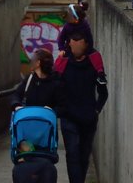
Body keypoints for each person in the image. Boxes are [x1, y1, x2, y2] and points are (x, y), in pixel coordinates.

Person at [52, 28, 108, 183]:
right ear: (69, 45)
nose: (75, 48)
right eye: (73, 45)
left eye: (79, 45)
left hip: (88, 118)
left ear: (86, 45)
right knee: (73, 154)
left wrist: (96, 110)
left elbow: (103, 92)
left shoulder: (94, 65)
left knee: (83, 156)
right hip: (68, 117)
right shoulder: (62, 65)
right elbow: (53, 87)